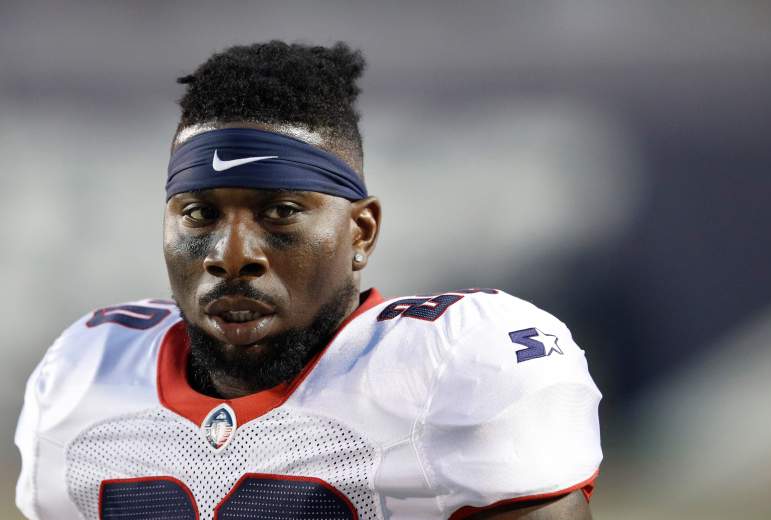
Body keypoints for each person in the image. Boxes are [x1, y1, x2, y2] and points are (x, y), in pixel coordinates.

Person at [15, 41, 602, 519]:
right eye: (199, 214)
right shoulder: (84, 372)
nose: (231, 255)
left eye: (281, 213)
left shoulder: (453, 363)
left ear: (362, 232)